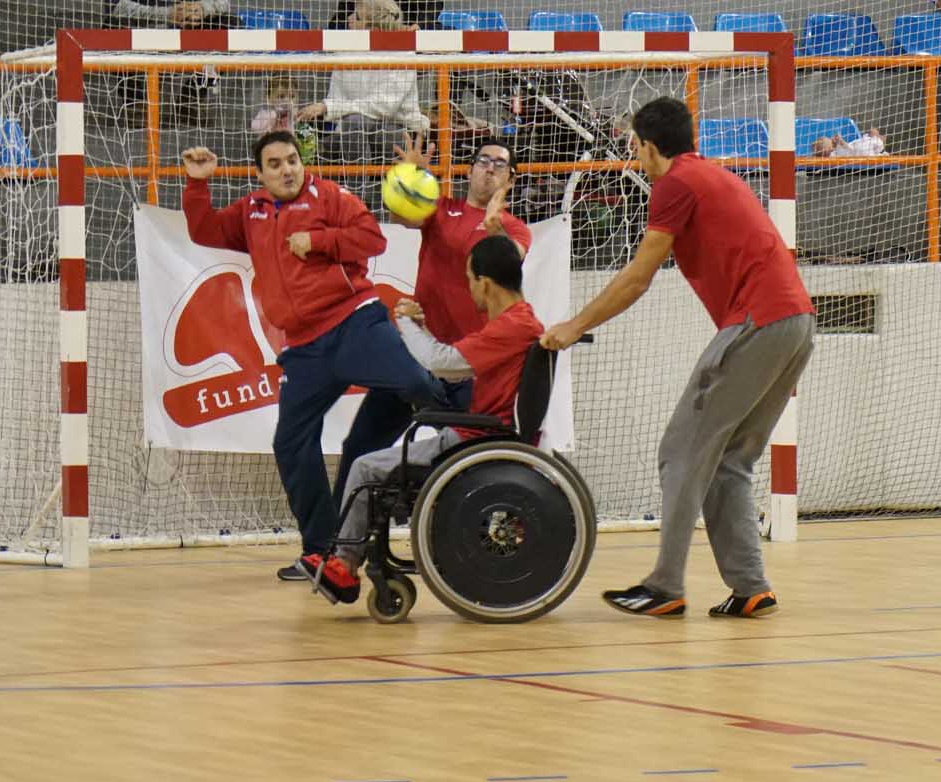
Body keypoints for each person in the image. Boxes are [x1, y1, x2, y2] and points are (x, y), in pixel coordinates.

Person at [542, 96, 815, 619]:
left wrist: (574, 325)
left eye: (635, 147)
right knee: (728, 460)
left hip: (760, 321)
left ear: (647, 146)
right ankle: (750, 586)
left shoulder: (674, 184)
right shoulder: (707, 175)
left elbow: (637, 277)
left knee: (681, 451)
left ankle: (666, 586)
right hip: (796, 322)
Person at [179, 131, 450, 601]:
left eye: (292, 161)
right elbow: (204, 231)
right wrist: (197, 185)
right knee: (290, 442)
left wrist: (320, 240)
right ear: (259, 174)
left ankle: (473, 437)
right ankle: (324, 551)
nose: (287, 170)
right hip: (304, 350)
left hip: (354, 324)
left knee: (415, 383)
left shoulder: (330, 196)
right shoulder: (252, 211)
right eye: (275, 164)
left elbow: (373, 238)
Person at [280, 135, 530, 581]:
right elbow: (400, 211)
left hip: (468, 367)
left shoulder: (512, 228)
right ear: (470, 169)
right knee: (361, 448)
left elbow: (508, 265)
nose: (489, 168)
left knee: (461, 465)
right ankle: (340, 554)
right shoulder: (444, 210)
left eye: (500, 164)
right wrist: (409, 175)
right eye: (482, 161)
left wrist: (494, 228)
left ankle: (481, 551)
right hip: (418, 359)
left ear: (509, 178)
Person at [331, 235, 545, 566]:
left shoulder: (511, 327)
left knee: (364, 467)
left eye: (470, 280)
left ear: (485, 284)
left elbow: (440, 363)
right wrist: (422, 328)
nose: (469, 287)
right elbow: (453, 369)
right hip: (483, 435)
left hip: (475, 440)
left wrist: (403, 320)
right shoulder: (521, 321)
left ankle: (343, 563)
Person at [308, 0, 427, 150]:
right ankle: (353, 174)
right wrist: (331, 107)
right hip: (352, 132)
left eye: (357, 17)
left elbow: (384, 107)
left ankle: (390, 175)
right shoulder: (344, 52)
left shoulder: (404, 55)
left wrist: (328, 107)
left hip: (398, 127)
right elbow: (336, 98)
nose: (349, 19)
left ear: (374, 30)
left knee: (382, 131)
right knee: (352, 125)